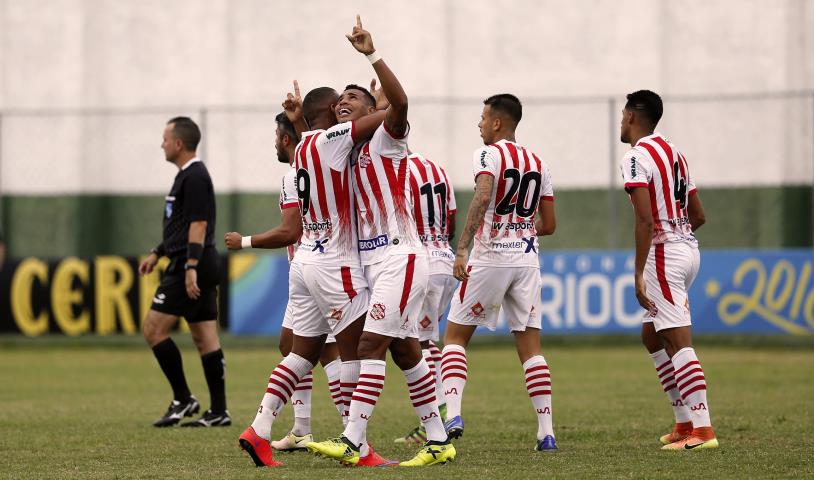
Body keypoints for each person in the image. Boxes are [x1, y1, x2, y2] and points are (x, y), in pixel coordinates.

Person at [306, 16, 455, 468]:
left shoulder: (386, 141)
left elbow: (401, 103)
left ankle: (353, 439)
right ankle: (438, 438)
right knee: (405, 350)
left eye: (354, 97)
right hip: (372, 263)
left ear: (373, 110)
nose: (343, 103)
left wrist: (372, 52)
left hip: (401, 256)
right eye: (340, 100)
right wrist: (298, 118)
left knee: (370, 345)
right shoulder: (343, 151)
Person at [237, 81, 391, 467]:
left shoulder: (304, 146)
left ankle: (259, 428)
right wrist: (385, 102)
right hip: (335, 265)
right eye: (340, 103)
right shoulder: (332, 138)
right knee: (359, 353)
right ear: (329, 113)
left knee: (299, 356)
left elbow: (316, 133)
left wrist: (300, 119)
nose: (345, 107)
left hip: (305, 261)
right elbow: (390, 117)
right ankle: (357, 444)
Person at [442, 94, 558, 452]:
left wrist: (462, 247)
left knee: (455, 338)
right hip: (526, 262)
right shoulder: (539, 163)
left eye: (482, 118)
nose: (479, 124)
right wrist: (520, 230)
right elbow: (550, 224)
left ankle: (454, 414)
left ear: (496, 122)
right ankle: (546, 432)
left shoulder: (487, 154)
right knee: (531, 349)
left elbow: (482, 195)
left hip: (490, 258)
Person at [224, 112, 344, 451]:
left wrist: (244, 241)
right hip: (311, 271)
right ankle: (303, 429)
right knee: (292, 346)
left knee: (332, 351)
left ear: (287, 139)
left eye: (277, 134)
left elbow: (290, 230)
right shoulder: (314, 171)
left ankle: (351, 432)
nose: (274, 141)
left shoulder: (295, 176)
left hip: (322, 270)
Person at [618, 89, 717, 450]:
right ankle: (684, 420)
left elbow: (645, 220)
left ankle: (703, 430)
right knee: (652, 335)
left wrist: (639, 270)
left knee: (677, 341)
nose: (621, 121)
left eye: (622, 115)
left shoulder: (635, 157)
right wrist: (679, 235)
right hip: (689, 249)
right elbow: (699, 215)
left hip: (664, 254)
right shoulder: (675, 154)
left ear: (631, 117)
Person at [138, 117, 228, 428]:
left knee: (153, 329)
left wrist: (189, 267)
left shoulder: (194, 177)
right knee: (205, 338)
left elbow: (199, 225)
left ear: (178, 144)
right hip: (194, 261)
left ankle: (183, 398)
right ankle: (219, 411)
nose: (162, 144)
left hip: (191, 265)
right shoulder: (187, 176)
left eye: (165, 139)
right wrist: (157, 252)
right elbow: (182, 225)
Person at [394, 152, 457, 444]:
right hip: (445, 257)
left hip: (423, 263)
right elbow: (451, 218)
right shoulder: (437, 168)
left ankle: (435, 418)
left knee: (415, 343)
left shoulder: (398, 171)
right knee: (426, 340)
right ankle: (440, 414)